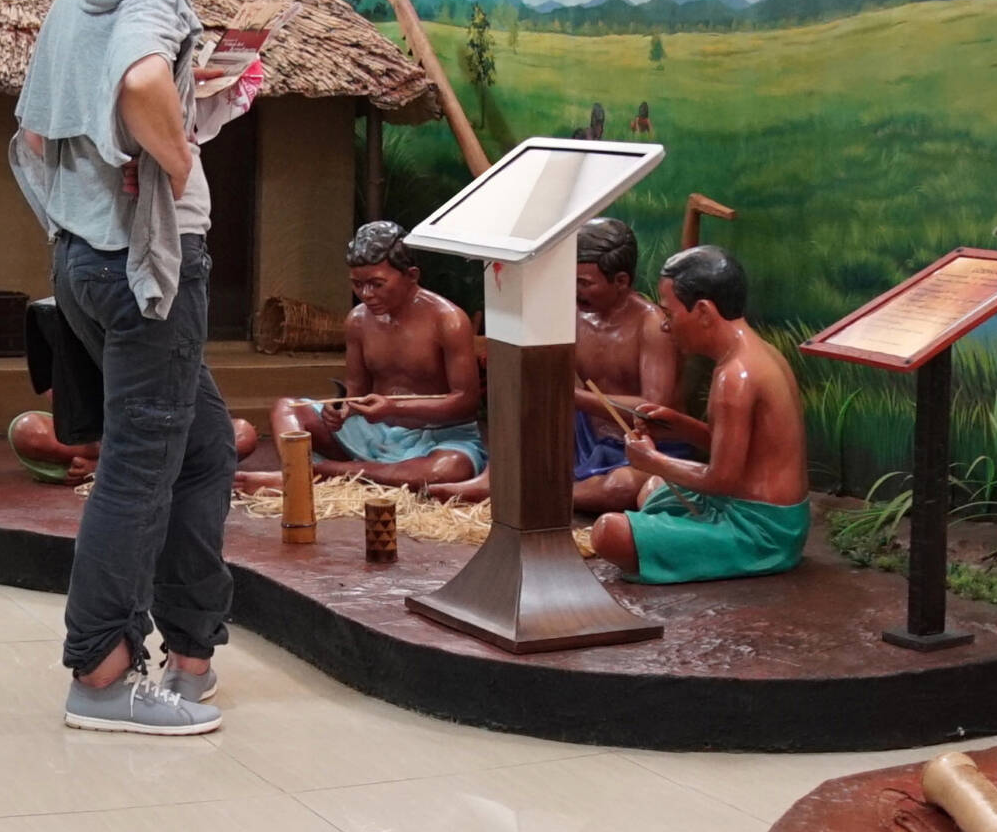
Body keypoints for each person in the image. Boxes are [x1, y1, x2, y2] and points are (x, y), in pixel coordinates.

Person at [8, 0, 273, 734]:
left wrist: (213, 103)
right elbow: (140, 82)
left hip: (84, 259)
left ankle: (192, 650)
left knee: (201, 450)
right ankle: (102, 675)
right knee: (136, 469)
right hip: (149, 273)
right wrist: (177, 167)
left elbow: (42, 130)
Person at [425, 217, 683, 512]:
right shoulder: (572, 312)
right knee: (528, 406)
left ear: (621, 281)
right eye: (569, 281)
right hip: (586, 435)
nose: (574, 291)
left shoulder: (651, 325)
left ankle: (527, 498)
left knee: (620, 487)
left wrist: (573, 397)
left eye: (584, 283)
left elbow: (654, 409)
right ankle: (493, 482)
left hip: (646, 447)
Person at [588, 244, 809, 583]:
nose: (665, 325)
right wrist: (678, 426)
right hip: (758, 513)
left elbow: (722, 480)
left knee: (608, 532)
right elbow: (740, 451)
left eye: (669, 313)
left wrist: (651, 459)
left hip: (759, 533)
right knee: (653, 490)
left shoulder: (735, 378)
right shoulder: (759, 354)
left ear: (704, 312)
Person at [251, 222, 483, 491]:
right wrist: (342, 411)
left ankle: (324, 472)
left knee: (449, 468)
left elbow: (465, 402)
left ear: (412, 275)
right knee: (287, 409)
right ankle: (334, 473)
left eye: (377, 284)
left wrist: (394, 408)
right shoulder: (358, 320)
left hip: (437, 437)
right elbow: (355, 392)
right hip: (373, 432)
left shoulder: (448, 320)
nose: (366, 294)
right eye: (358, 285)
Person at [8, 408, 255, 485]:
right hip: (96, 433)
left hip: (161, 437)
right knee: (27, 430)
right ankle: (117, 461)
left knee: (243, 434)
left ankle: (117, 463)